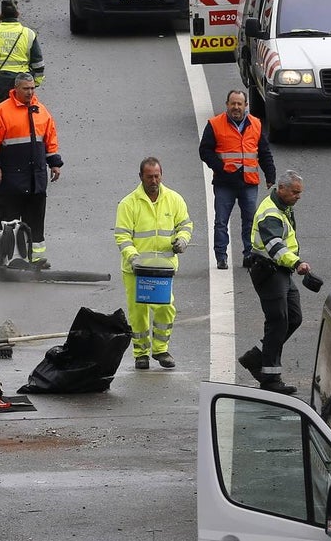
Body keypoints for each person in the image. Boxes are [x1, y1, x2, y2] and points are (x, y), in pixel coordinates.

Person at [114, 157, 193, 370]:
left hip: (162, 269)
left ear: (162, 175)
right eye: (149, 176)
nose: (154, 180)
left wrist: (183, 240)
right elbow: (122, 236)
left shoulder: (174, 200)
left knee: (165, 309)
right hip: (136, 270)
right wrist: (133, 257)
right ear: (141, 177)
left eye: (157, 176)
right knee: (138, 312)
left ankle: (160, 349)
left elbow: (185, 224)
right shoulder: (128, 204)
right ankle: (141, 353)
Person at [0, 74, 63, 268]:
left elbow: (50, 140)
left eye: (32, 88)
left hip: (36, 180)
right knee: (8, 223)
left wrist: (55, 163)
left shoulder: (41, 112)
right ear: (16, 89)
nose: (30, 92)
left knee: (36, 222)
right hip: (11, 179)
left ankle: (35, 259)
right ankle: (4, 259)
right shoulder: (1, 112)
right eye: (26, 88)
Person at [243, 170, 312, 394]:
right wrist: (296, 262)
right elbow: (274, 245)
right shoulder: (270, 213)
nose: (298, 197)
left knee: (293, 317)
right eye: (294, 192)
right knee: (278, 320)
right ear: (281, 189)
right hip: (269, 270)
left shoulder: (283, 206)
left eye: (300, 193)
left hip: (280, 271)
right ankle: (270, 378)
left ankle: (256, 357)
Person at [198, 90, 275, 270]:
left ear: (245, 105)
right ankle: (221, 256)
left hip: (248, 182)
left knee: (250, 221)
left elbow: (264, 152)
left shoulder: (255, 124)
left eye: (240, 104)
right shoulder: (215, 124)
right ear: (227, 104)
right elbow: (205, 151)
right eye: (233, 103)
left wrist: (270, 174)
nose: (236, 107)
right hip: (225, 183)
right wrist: (220, 168)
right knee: (221, 221)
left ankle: (249, 254)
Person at [0, 0, 45, 111]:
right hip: (22, 82)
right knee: (22, 114)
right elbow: (38, 64)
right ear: (18, 14)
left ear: (1, 15)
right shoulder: (28, 33)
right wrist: (35, 83)